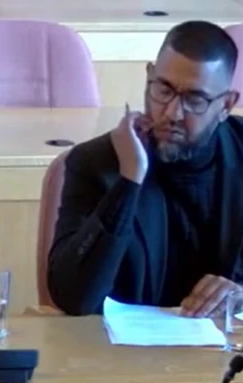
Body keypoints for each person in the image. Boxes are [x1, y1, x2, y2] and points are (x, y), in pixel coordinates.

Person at [48, 20, 243, 317]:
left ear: (226, 105)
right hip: (123, 357)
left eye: (194, 99)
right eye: (163, 90)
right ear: (149, 76)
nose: (172, 113)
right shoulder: (95, 163)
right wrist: (129, 181)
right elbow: (73, 298)